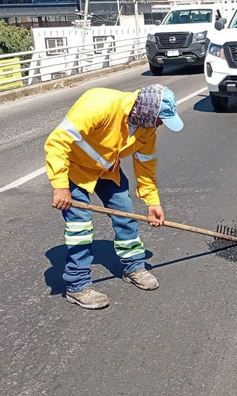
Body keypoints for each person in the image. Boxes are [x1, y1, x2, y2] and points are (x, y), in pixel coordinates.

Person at [45, 84, 184, 310]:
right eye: (160, 119)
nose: (160, 124)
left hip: (107, 170)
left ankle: (133, 267)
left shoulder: (146, 128)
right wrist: (60, 185)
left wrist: (153, 202)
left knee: (125, 214)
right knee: (79, 227)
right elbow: (57, 142)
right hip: (75, 170)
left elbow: (145, 166)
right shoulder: (98, 104)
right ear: (147, 111)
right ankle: (77, 285)